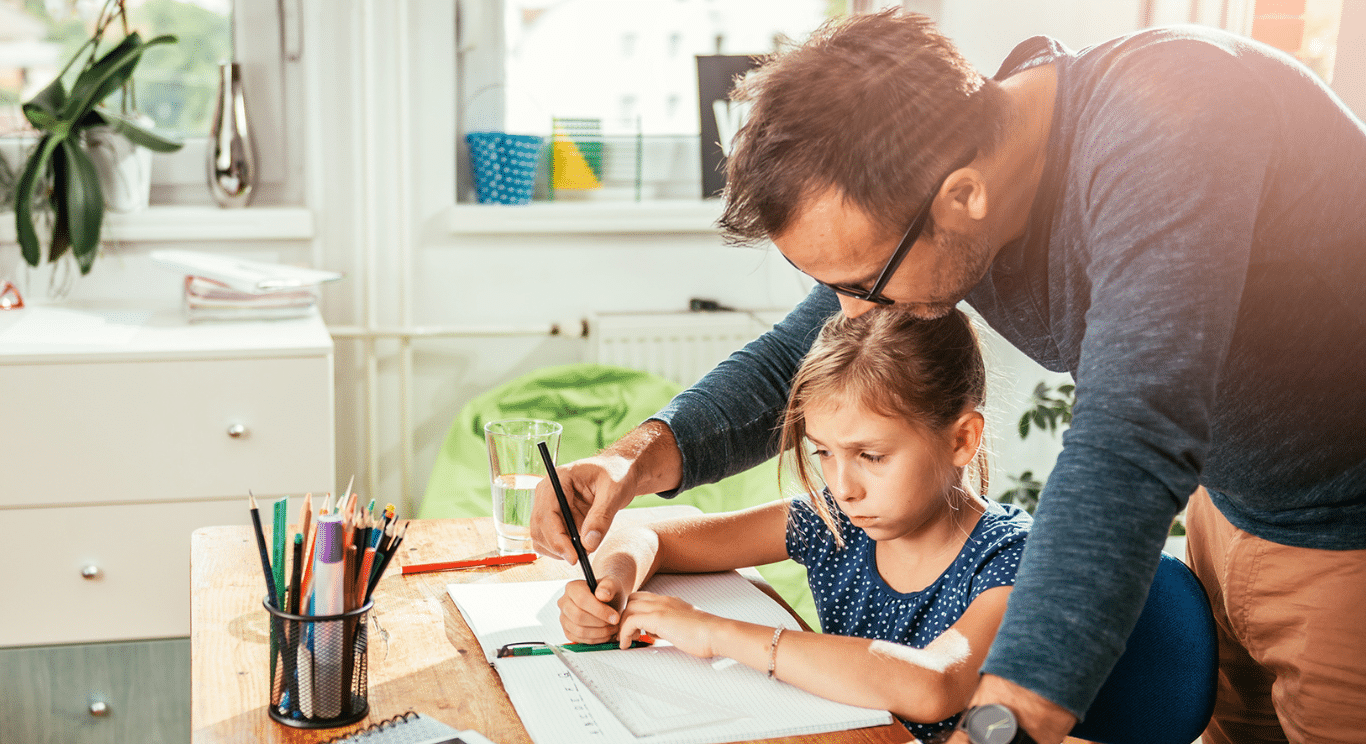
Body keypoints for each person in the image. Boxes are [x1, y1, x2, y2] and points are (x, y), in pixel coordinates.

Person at [532, 10, 1366, 744]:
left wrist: (1009, 716)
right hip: (1232, 496)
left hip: (1345, 527)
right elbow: (799, 354)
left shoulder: (1174, 120)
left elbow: (1131, 435)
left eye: (864, 285)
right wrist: (633, 459)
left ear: (962, 196)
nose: (854, 316)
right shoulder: (967, 184)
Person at [557, 308, 1030, 742]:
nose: (844, 487)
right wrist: (611, 584)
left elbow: (935, 685)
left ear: (962, 439)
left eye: (871, 456)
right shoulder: (832, 521)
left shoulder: (1014, 557)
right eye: (823, 452)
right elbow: (652, 534)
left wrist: (713, 632)